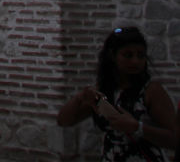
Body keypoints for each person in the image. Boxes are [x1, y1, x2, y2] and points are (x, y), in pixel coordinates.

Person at [56, 26, 178, 160]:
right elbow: (64, 121)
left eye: (140, 55)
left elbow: (175, 138)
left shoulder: (151, 91)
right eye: (128, 55)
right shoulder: (104, 92)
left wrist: (138, 128)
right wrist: (80, 97)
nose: (135, 61)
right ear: (112, 56)